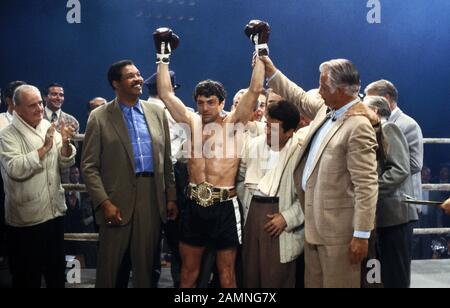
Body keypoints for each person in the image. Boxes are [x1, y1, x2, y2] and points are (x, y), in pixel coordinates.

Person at [154, 22, 266, 288]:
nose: (204, 108)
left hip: (225, 206)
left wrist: (260, 47)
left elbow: (254, 90)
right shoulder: (190, 122)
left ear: (222, 102)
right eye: (200, 102)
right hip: (193, 205)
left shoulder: (234, 123)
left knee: (227, 276)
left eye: (211, 102)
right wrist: (163, 56)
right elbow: (166, 93)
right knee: (189, 275)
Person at [261, 55, 379, 288]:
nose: (319, 90)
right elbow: (298, 96)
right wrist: (272, 71)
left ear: (342, 90)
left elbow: (366, 186)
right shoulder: (328, 110)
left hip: (340, 234)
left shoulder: (358, 125)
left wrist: (362, 235)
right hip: (315, 226)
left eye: (324, 87)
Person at [81, 60, 177, 288]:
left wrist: (170, 196)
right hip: (115, 200)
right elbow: (89, 166)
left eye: (138, 74)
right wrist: (104, 202)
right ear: (116, 83)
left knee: (146, 269)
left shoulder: (156, 112)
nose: (138, 79)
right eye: (130, 76)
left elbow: (166, 159)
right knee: (110, 271)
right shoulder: (99, 116)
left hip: (151, 197)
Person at [0, 84, 76, 288]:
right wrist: (44, 148)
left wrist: (67, 144)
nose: (40, 109)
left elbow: (65, 162)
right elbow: (15, 169)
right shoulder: (6, 134)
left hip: (54, 213)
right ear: (16, 108)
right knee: (27, 278)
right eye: (32, 105)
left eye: (40, 103)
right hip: (26, 220)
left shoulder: (46, 126)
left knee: (56, 274)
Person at [237, 100, 305, 288]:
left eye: (273, 128)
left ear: (290, 131)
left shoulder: (300, 152)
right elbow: (241, 178)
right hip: (252, 212)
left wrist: (287, 217)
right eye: (267, 125)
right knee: (250, 275)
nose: (267, 131)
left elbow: (308, 195)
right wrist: (248, 206)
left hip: (281, 215)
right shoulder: (253, 145)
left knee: (276, 277)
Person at [364, 96, 418, 288]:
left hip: (395, 216)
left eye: (364, 109)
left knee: (396, 275)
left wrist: (371, 190)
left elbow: (400, 169)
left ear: (375, 111)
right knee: (379, 275)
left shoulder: (388, 128)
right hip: (383, 217)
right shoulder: (373, 132)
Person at [364, 80, 424, 201]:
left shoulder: (408, 124)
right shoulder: (375, 124)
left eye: (370, 99)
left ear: (386, 98)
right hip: (385, 199)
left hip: (402, 199)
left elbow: (415, 164)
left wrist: (380, 177)